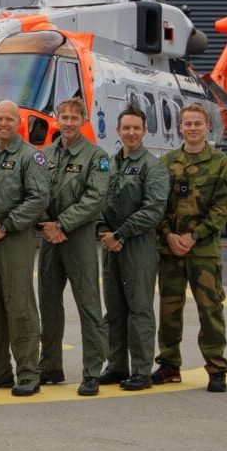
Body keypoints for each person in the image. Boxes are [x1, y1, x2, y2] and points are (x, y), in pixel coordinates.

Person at [154, 102, 227, 392]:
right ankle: (169, 364)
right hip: (171, 250)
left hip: (203, 250)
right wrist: (169, 236)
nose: (192, 128)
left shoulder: (219, 162)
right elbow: (158, 206)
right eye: (187, 124)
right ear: (180, 127)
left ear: (206, 127)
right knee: (169, 309)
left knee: (210, 309)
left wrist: (193, 236)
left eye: (197, 124)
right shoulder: (166, 163)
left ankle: (216, 368)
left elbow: (223, 207)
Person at [36, 97, 112, 396]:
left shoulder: (96, 156)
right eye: (63, 117)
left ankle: (92, 370)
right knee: (49, 304)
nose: (68, 122)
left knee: (88, 306)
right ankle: (50, 365)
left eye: (74, 117)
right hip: (49, 237)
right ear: (57, 119)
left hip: (78, 237)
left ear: (83, 121)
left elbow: (95, 198)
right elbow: (35, 191)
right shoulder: (45, 155)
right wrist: (46, 224)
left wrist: (62, 224)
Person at [0, 100, 50, 397]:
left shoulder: (31, 157)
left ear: (18, 122)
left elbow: (38, 199)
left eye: (9, 119)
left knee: (20, 307)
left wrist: (4, 227)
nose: (3, 123)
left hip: (14, 238)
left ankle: (29, 372)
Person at [97, 105, 171, 391]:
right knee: (114, 309)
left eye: (136, 128)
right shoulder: (111, 164)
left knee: (139, 308)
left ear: (144, 131)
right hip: (110, 245)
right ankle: (117, 365)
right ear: (118, 131)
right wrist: (103, 231)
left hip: (137, 245)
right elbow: (100, 199)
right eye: (126, 128)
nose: (131, 133)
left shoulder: (153, 168)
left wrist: (121, 234)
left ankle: (141, 369)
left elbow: (153, 210)